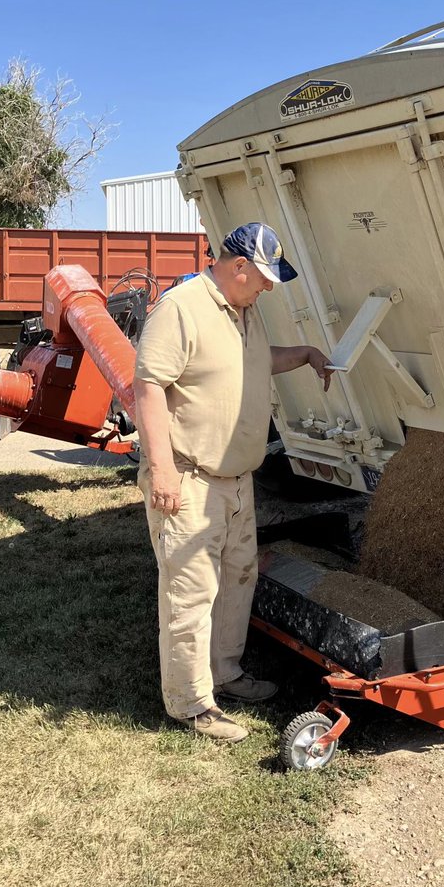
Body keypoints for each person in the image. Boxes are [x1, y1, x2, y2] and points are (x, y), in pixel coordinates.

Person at [133, 222, 332, 743]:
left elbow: (255, 363)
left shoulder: (245, 312)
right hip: (191, 480)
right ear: (237, 265)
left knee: (237, 582)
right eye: (264, 277)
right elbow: (149, 388)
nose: (268, 287)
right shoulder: (182, 307)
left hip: (239, 480)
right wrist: (162, 471)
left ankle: (225, 673)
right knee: (191, 593)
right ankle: (191, 704)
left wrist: (305, 354)